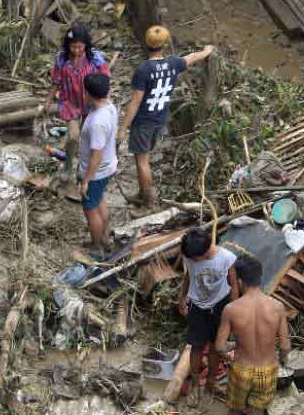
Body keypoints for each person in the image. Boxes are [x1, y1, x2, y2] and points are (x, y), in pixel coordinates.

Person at [118, 25, 214, 211]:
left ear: (147, 43)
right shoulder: (173, 63)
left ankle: (149, 203)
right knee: (145, 157)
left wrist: (122, 128)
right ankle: (142, 193)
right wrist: (206, 51)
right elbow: (192, 57)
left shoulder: (144, 70)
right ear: (164, 44)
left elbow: (135, 102)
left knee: (142, 161)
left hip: (143, 121)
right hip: (160, 119)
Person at [215, 255, 290, 415]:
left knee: (234, 411)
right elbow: (285, 346)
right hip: (267, 369)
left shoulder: (232, 309)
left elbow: (219, 346)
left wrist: (234, 347)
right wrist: (282, 360)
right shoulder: (277, 307)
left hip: (241, 368)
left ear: (239, 281)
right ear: (261, 277)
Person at [46, 24, 111, 181]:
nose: (76, 51)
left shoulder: (94, 58)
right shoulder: (61, 58)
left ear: (86, 45)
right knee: (73, 137)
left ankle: (84, 169)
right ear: (67, 45)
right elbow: (56, 81)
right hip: (70, 102)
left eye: (80, 47)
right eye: (73, 47)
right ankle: (68, 166)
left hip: (90, 102)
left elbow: (105, 78)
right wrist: (48, 101)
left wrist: (105, 99)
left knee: (85, 137)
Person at [179, 227, 239, 396]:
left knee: (215, 346)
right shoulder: (191, 255)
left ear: (204, 253)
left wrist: (233, 311)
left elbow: (233, 285)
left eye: (195, 259)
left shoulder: (226, 258)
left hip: (221, 306)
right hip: (197, 307)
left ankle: (211, 382)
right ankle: (196, 384)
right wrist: (182, 297)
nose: (192, 261)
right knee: (196, 346)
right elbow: (188, 277)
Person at [78, 73, 119, 253]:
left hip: (97, 171)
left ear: (87, 93)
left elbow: (97, 154)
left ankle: (97, 247)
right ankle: (105, 237)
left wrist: (86, 180)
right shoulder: (109, 106)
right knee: (99, 199)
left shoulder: (97, 122)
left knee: (90, 209)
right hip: (108, 167)